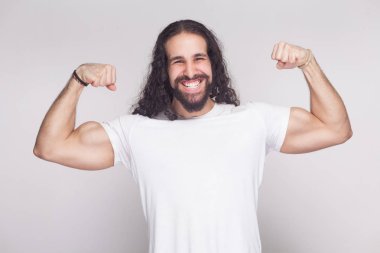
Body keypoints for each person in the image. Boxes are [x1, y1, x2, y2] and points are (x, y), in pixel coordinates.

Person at [34, 20, 352, 253]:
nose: (190, 71)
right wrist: (78, 80)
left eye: (199, 58)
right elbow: (51, 147)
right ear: (164, 70)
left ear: (212, 64)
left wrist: (308, 63)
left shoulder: (253, 120)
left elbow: (336, 128)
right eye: (178, 61)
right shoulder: (137, 132)